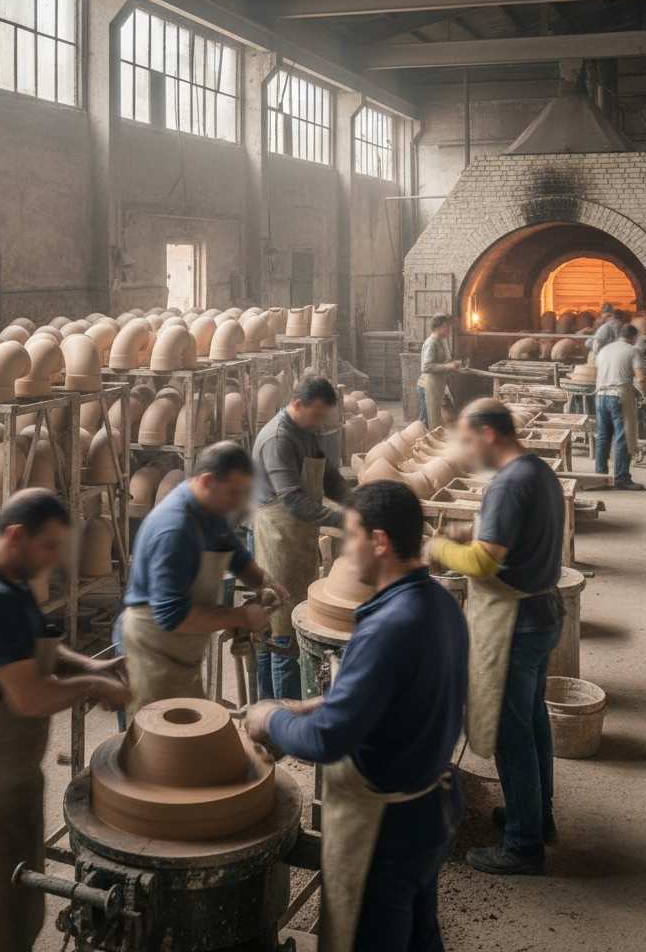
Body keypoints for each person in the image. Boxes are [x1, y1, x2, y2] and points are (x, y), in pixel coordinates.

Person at [247, 481, 467, 952]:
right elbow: (399, 698)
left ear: (380, 542)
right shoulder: (440, 604)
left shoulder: (387, 627)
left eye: (351, 537)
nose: (346, 551)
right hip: (433, 803)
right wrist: (309, 705)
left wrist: (270, 720)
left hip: (389, 825)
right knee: (420, 935)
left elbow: (329, 740)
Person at [0, 489, 131, 952]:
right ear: (17, 535)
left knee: (7, 896)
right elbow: (29, 695)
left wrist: (91, 667)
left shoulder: (11, 581)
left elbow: (37, 648)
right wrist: (94, 688)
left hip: (4, 772)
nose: (56, 558)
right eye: (50, 546)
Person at [425, 398, 563, 876]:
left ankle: (523, 847)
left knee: (511, 736)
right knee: (532, 721)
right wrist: (473, 530)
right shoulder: (537, 471)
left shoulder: (507, 484)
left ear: (487, 434)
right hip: (544, 612)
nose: (465, 450)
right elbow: (515, 539)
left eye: (467, 439)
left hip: (516, 623)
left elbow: (485, 563)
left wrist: (439, 547)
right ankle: (537, 818)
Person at [121, 441, 281, 716]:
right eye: (234, 492)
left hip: (182, 656)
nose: (239, 502)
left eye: (244, 493)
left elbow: (235, 554)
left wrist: (265, 582)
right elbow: (173, 617)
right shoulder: (174, 529)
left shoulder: (211, 509)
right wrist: (241, 617)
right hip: (151, 656)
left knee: (191, 737)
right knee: (156, 750)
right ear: (207, 481)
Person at [251, 376, 347, 700]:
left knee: (281, 626)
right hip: (276, 539)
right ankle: (282, 719)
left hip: (296, 537)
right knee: (281, 636)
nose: (320, 422)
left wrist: (357, 501)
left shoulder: (305, 430)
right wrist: (345, 520)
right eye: (317, 414)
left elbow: (329, 476)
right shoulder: (279, 438)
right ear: (299, 404)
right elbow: (292, 500)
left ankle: (267, 707)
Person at [595, 323, 646, 491]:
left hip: (600, 396)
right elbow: (642, 378)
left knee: (602, 437)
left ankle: (600, 477)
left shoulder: (604, 350)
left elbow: (599, 371)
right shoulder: (633, 351)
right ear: (634, 337)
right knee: (624, 437)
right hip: (619, 396)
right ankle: (621, 478)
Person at [418, 314, 459, 428]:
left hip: (437, 385)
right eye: (446, 326)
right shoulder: (431, 343)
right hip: (427, 386)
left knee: (435, 419)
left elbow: (445, 360)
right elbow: (426, 367)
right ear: (437, 327)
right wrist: (447, 367)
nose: (449, 329)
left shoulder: (442, 341)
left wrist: (453, 364)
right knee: (426, 423)